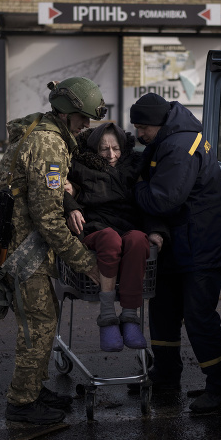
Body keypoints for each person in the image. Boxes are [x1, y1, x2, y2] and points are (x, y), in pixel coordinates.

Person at [0, 76, 105, 425]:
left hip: (22, 244)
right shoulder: (49, 144)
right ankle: (21, 402)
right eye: (82, 119)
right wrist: (86, 263)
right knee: (39, 323)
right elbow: (48, 218)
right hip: (23, 252)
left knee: (43, 316)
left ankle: (33, 388)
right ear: (66, 115)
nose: (86, 127)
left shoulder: (46, 131)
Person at [130, 92, 221, 414]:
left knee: (199, 318)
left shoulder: (180, 146)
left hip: (201, 248)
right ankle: (165, 374)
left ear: (158, 123)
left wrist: (134, 186)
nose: (139, 134)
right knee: (163, 312)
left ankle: (220, 389)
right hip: (182, 245)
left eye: (142, 128)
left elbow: (163, 199)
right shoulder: (169, 139)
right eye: (136, 127)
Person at [62, 122, 167, 352]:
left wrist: (156, 229)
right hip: (94, 231)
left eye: (116, 148)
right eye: (104, 149)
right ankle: (108, 317)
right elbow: (59, 188)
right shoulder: (78, 167)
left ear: (123, 147)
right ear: (93, 149)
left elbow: (146, 201)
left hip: (127, 228)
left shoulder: (134, 167)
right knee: (110, 238)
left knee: (139, 240)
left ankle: (129, 318)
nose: (111, 155)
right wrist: (70, 206)